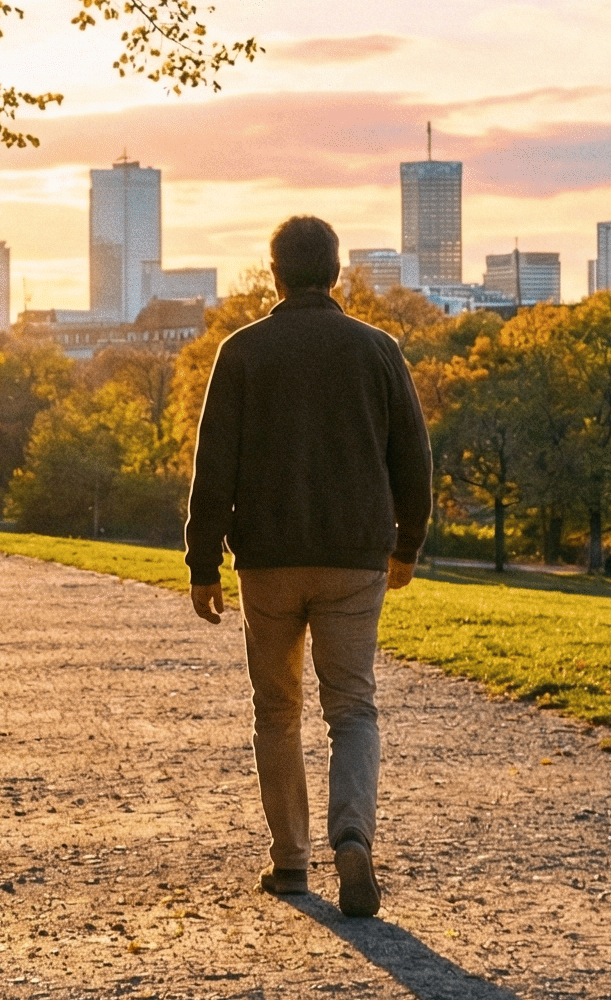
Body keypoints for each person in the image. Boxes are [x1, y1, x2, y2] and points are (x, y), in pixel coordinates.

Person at [184, 215, 430, 920]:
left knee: (277, 709)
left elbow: (214, 468)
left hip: (268, 559)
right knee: (352, 707)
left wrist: (203, 563)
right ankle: (351, 832)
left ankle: (290, 860)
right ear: (338, 272)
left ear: (274, 273)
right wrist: (406, 544)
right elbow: (413, 459)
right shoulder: (378, 350)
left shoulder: (242, 352)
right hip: (355, 556)